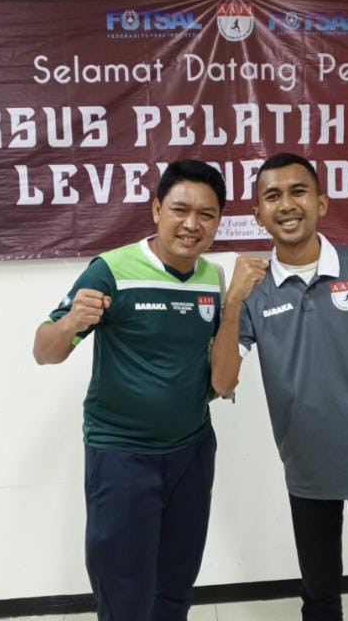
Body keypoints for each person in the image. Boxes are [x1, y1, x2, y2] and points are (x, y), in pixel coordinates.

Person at [211, 152, 348, 621]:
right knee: (320, 597)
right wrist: (234, 301)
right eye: (272, 196)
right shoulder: (254, 290)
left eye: (298, 191)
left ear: (321, 203)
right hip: (307, 464)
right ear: (258, 214)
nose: (287, 205)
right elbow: (222, 381)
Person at [33, 160, 226, 621]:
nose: (192, 224)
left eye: (206, 214)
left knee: (176, 585)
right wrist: (72, 322)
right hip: (121, 456)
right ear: (157, 209)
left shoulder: (213, 278)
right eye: (180, 209)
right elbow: (44, 351)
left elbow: (215, 367)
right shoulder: (111, 270)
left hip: (192, 452)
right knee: (124, 594)